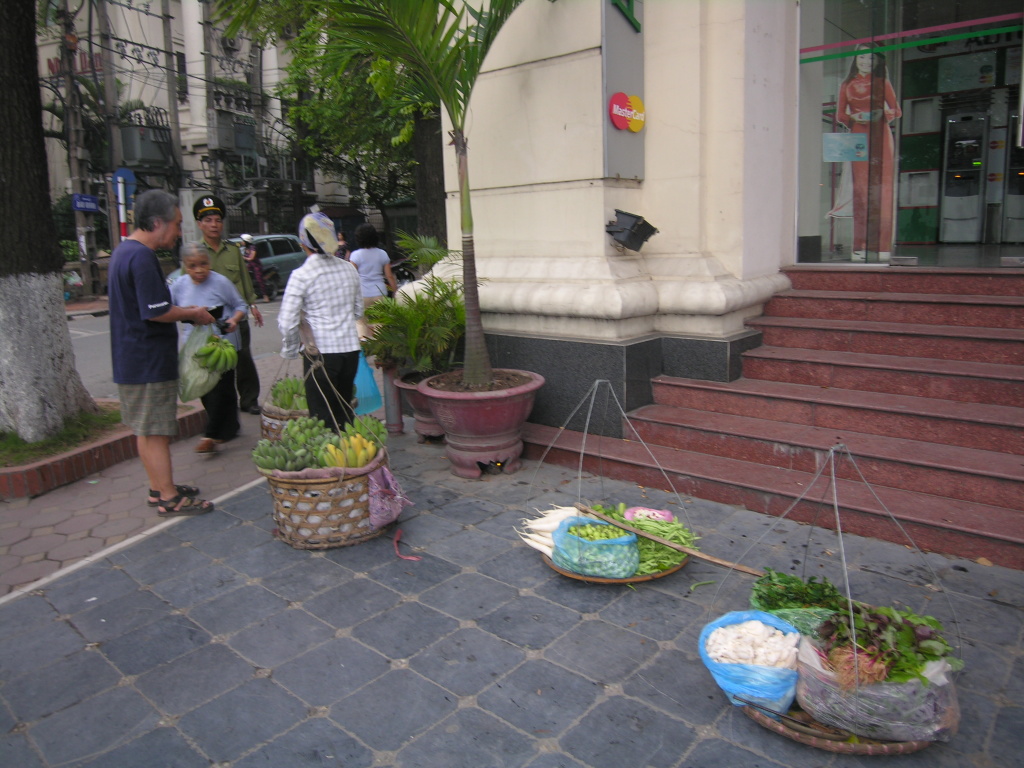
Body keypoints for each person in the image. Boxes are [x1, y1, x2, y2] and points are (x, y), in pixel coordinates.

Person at [107, 189, 216, 515]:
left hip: (132, 360)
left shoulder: (123, 251)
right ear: (157, 222)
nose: (179, 232)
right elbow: (155, 311)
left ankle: (159, 488)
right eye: (177, 224)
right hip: (147, 361)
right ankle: (170, 498)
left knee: (146, 429)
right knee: (155, 431)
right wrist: (192, 313)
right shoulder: (142, 257)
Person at [278, 212, 364, 431]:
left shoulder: (301, 275)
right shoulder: (349, 269)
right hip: (350, 352)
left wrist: (289, 350)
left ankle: (333, 461)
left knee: (322, 416)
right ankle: (348, 453)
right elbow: (357, 310)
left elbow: (287, 321)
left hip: (321, 356)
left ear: (302, 243)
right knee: (344, 410)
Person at [170, 244, 248, 454]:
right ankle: (230, 428)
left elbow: (241, 305)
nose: (199, 270)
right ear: (185, 266)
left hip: (222, 345)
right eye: (192, 266)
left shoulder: (221, 282)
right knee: (207, 390)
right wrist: (187, 313)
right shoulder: (178, 285)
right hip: (194, 347)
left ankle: (210, 434)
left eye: (203, 264)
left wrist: (233, 320)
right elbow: (170, 310)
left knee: (220, 390)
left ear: (209, 263)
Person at [193, 195, 264, 413]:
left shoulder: (233, 250)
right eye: (208, 220)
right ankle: (223, 406)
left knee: (243, 358)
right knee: (216, 364)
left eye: (217, 220)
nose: (214, 225)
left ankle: (249, 400)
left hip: (236, 315)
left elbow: (243, 279)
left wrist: (253, 305)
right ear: (199, 224)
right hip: (210, 318)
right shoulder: (195, 253)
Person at [836, 44, 901, 262]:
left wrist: (881, 113)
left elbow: (896, 110)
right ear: (855, 59)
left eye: (871, 59)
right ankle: (859, 246)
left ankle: (883, 246)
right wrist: (854, 118)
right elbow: (840, 115)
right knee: (861, 191)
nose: (865, 62)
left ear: (877, 62)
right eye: (862, 57)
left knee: (883, 189)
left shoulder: (883, 83)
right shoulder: (846, 85)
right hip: (858, 136)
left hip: (881, 135)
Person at [348, 222, 397, 339]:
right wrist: (395, 290)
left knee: (361, 322)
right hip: (380, 293)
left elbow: (352, 277)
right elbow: (389, 276)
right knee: (380, 323)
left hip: (362, 294)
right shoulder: (382, 254)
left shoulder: (355, 255)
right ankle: (380, 351)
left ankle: (364, 350)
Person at [241, 233, 271, 303]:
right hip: (249, 266)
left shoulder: (253, 248)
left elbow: (251, 258)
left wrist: (243, 257)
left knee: (259, 280)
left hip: (256, 266)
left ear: (246, 241)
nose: (241, 242)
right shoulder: (245, 249)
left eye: (242, 241)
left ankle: (265, 296)